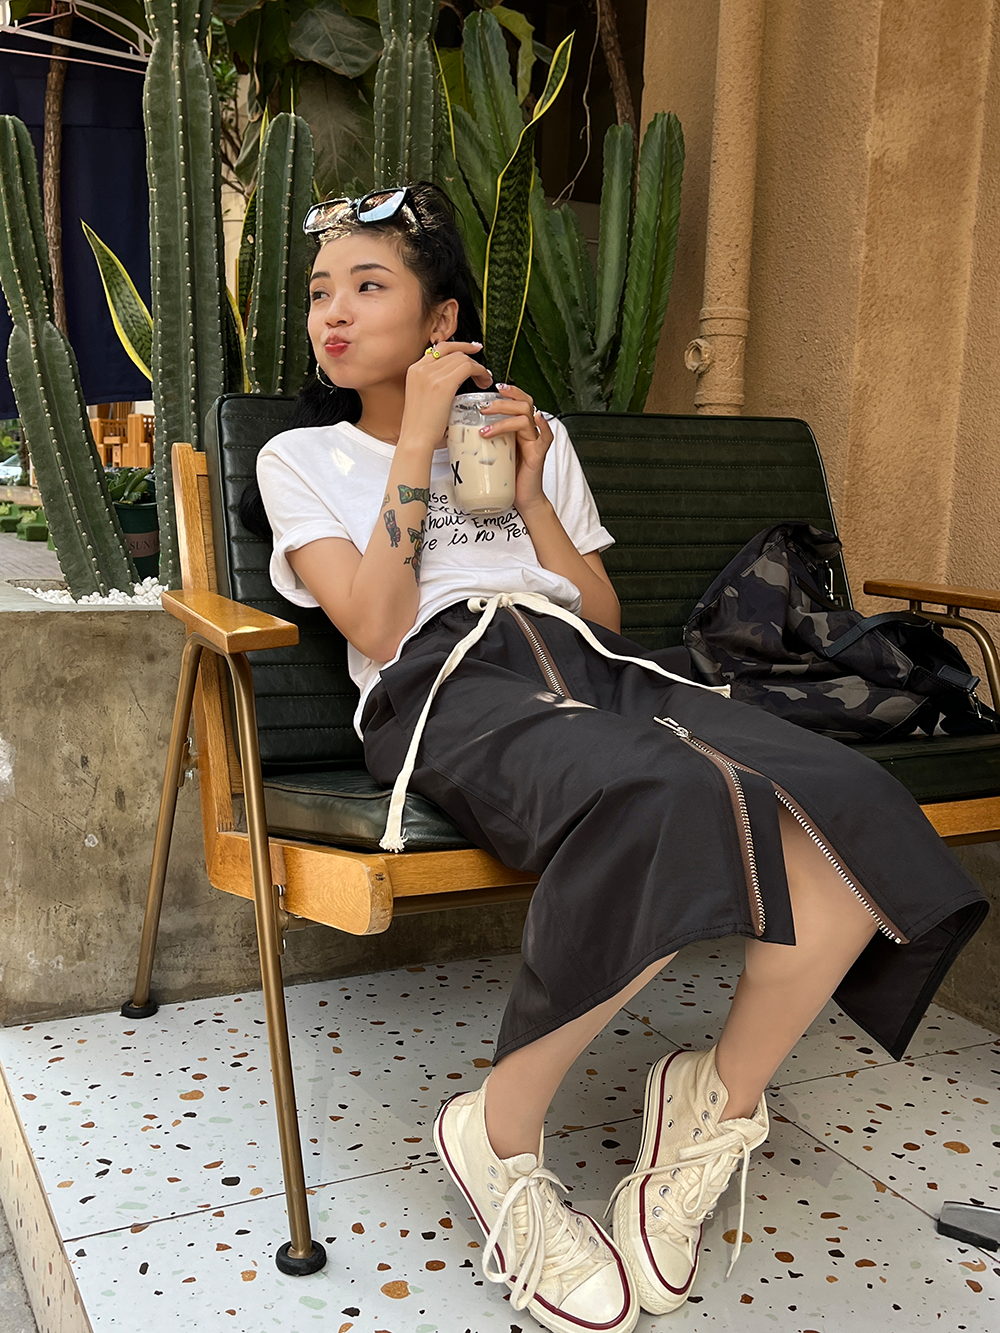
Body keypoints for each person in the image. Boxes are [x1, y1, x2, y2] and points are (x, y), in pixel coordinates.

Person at [248, 182, 988, 1333]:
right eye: (319, 292)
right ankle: (497, 1132)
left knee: (847, 800)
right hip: (447, 684)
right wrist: (416, 445)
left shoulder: (523, 435)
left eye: (367, 285)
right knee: (663, 795)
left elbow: (597, 607)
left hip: (595, 665)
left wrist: (530, 490)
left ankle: (711, 1104)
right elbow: (380, 627)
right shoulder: (300, 456)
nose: (331, 313)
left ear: (441, 320)